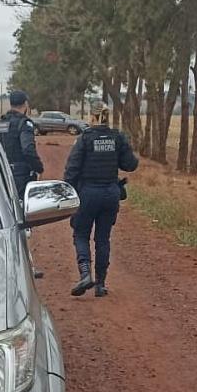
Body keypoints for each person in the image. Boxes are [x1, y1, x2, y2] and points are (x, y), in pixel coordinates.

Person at [64, 105, 139, 298]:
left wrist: (68, 192)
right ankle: (100, 285)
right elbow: (130, 165)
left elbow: (72, 169)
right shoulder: (117, 137)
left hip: (88, 194)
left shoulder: (84, 139)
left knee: (80, 234)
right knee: (103, 239)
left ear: (92, 116)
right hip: (111, 194)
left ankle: (85, 274)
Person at [0, 91, 44, 199]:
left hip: (0, 173)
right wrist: (38, 168)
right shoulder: (24, 124)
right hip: (20, 176)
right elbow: (27, 149)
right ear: (25, 104)